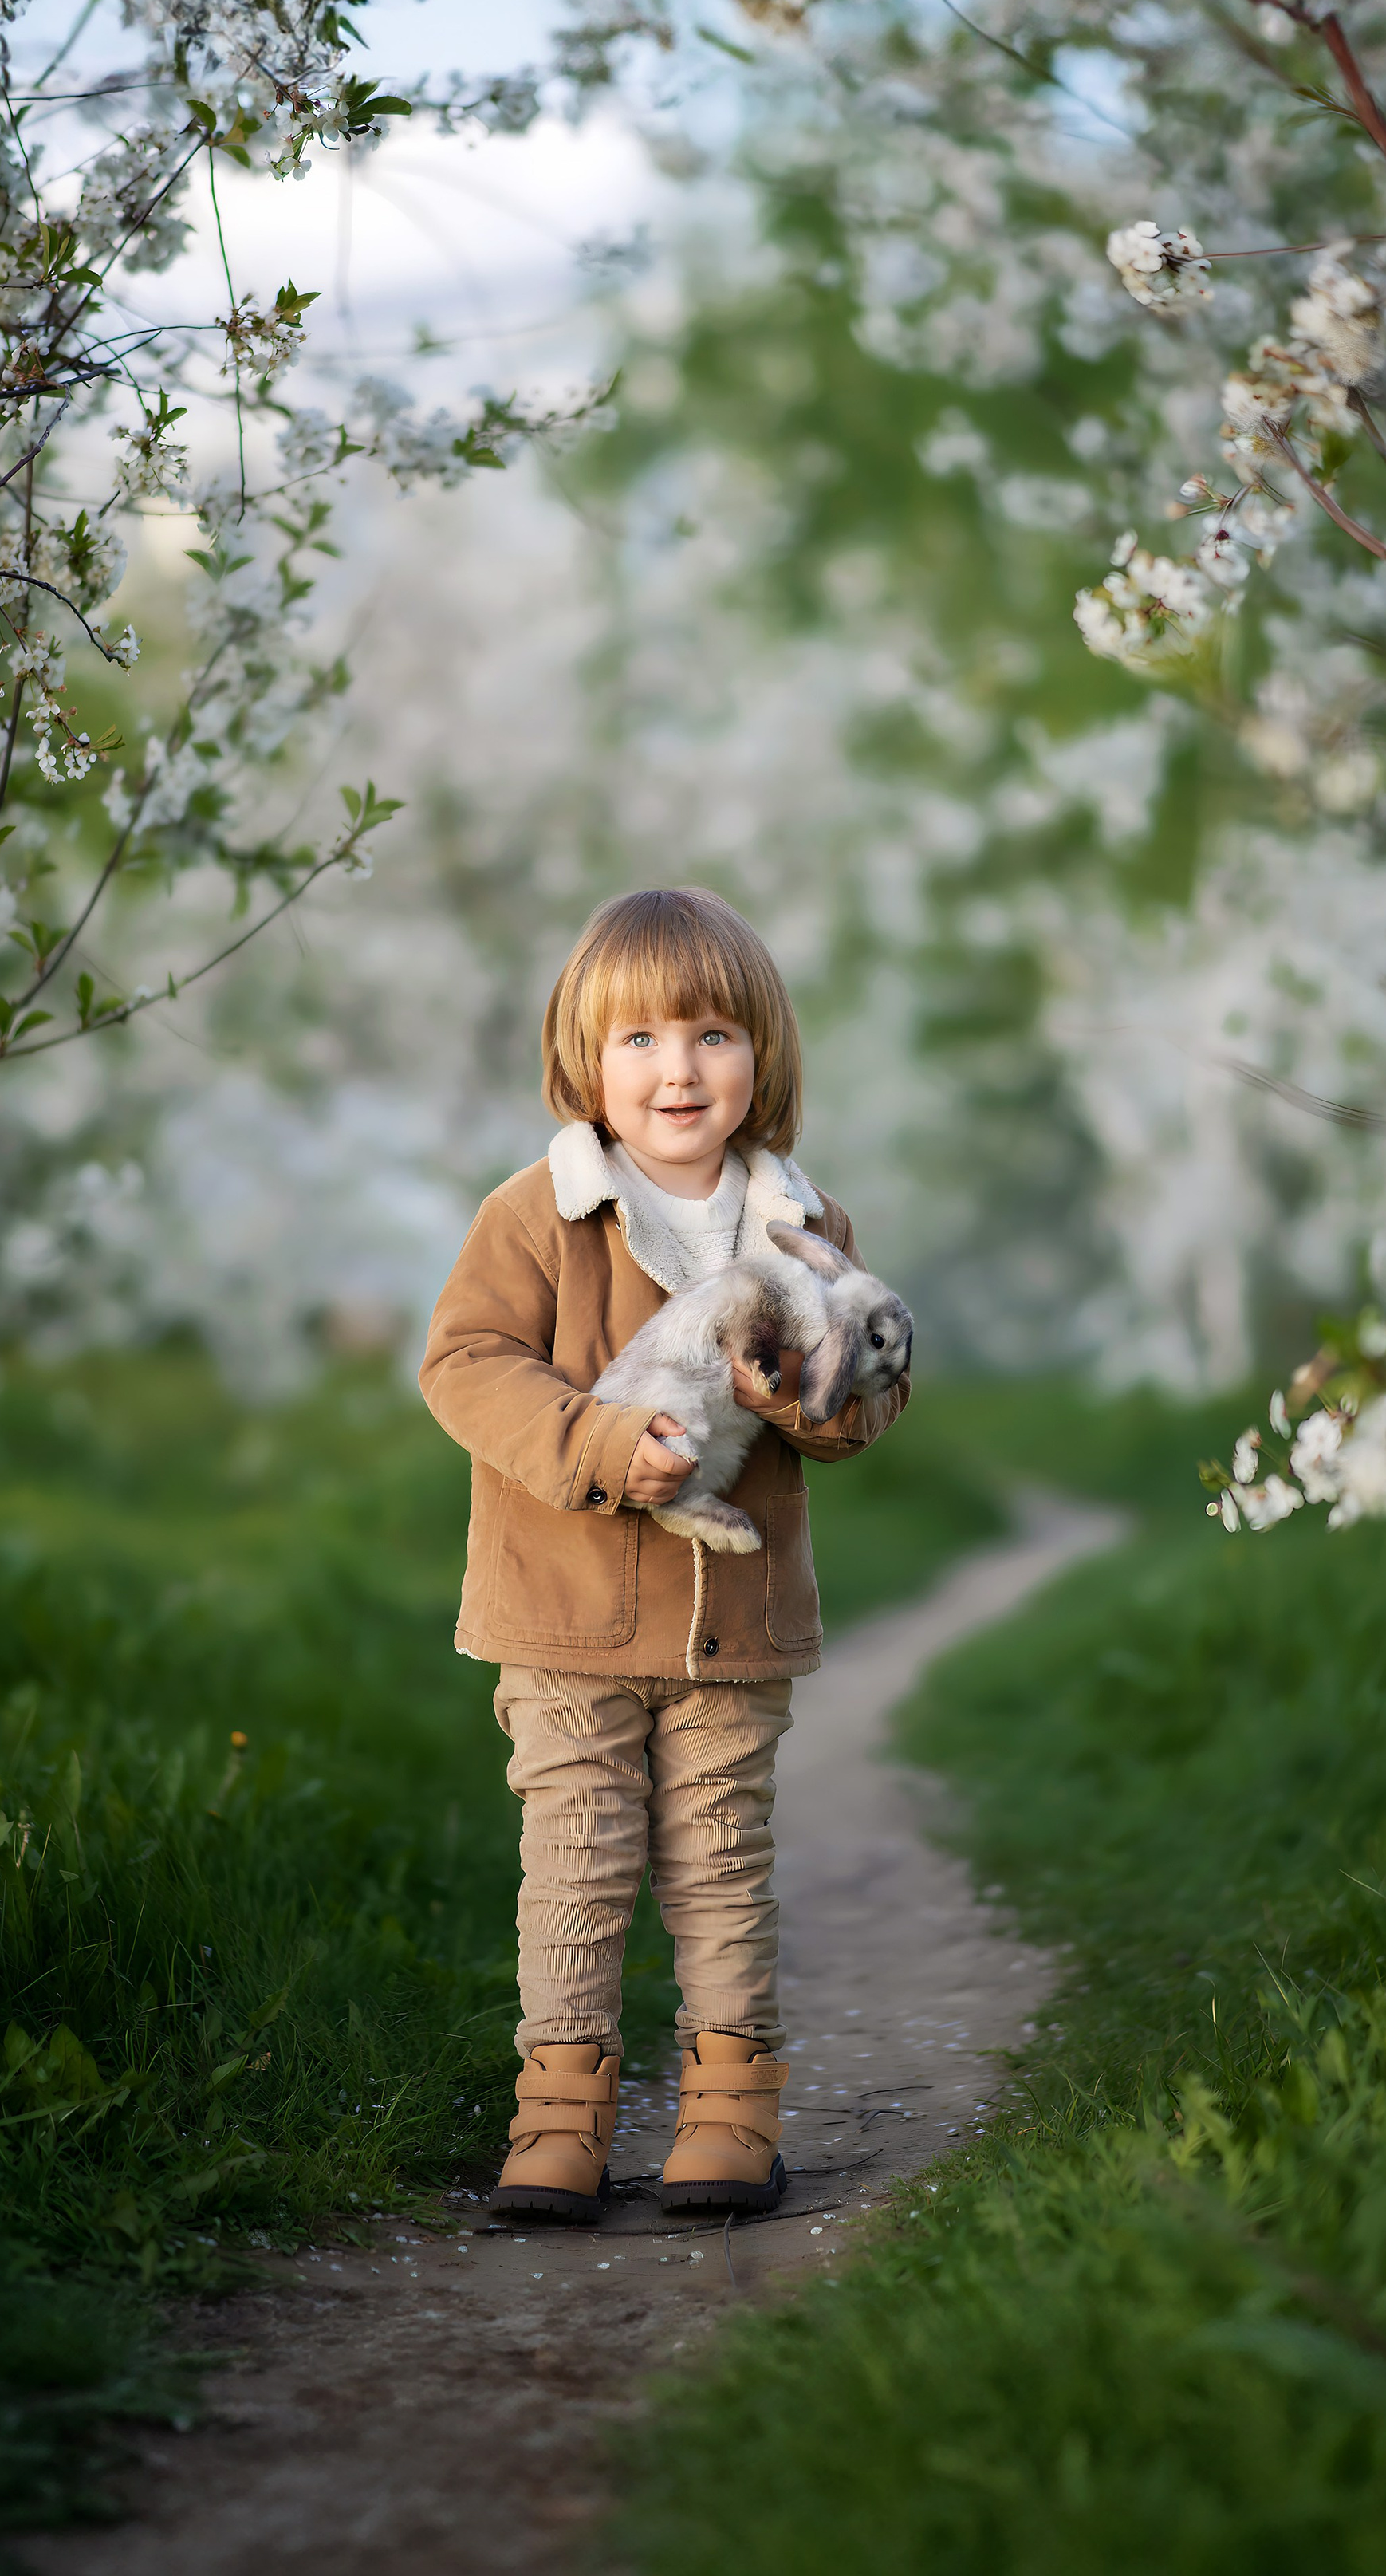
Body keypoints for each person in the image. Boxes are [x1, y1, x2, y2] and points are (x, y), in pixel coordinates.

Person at [419, 885, 909, 2220]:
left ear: (764, 1057)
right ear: (585, 1061)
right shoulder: (539, 1215)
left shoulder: (804, 1226)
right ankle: (560, 2121)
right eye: (637, 1040)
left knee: (719, 1862)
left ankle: (728, 2119)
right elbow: (464, 1365)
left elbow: (863, 1396)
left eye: (709, 1036)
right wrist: (591, 1441)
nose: (676, 1070)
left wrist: (794, 1407)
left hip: (732, 1624)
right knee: (576, 1866)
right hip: (564, 1618)